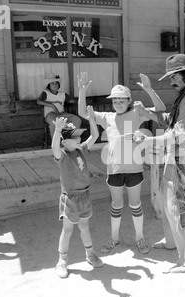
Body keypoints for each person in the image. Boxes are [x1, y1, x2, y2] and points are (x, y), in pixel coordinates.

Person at [133, 54, 185, 274]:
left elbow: (178, 134)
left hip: (181, 156)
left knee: (176, 207)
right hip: (178, 155)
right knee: (171, 206)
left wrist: (148, 140)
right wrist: (149, 113)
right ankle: (183, 249)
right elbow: (173, 120)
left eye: (174, 76)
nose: (171, 81)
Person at [78, 73, 166, 255]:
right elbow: (82, 113)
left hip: (134, 168)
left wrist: (149, 90)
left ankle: (140, 238)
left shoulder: (137, 112)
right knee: (116, 205)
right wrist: (82, 89)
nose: (117, 103)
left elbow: (160, 109)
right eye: (115, 100)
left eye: (121, 100)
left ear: (129, 101)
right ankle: (114, 238)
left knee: (135, 204)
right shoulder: (107, 117)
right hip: (114, 169)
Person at [51, 76, 103, 278]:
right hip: (70, 198)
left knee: (84, 227)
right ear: (65, 142)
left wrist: (91, 120)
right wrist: (57, 130)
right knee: (68, 229)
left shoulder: (81, 149)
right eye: (74, 137)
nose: (78, 138)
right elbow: (55, 146)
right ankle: (62, 260)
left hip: (85, 196)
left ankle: (90, 254)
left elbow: (95, 136)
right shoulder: (62, 156)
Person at [37, 73, 82, 138]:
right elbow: (38, 101)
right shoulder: (45, 93)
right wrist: (52, 105)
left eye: (56, 83)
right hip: (50, 115)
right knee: (54, 123)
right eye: (52, 83)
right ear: (49, 85)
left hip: (62, 114)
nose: (55, 85)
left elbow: (72, 101)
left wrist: (81, 94)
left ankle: (74, 140)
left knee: (77, 120)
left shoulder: (62, 94)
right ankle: (56, 144)